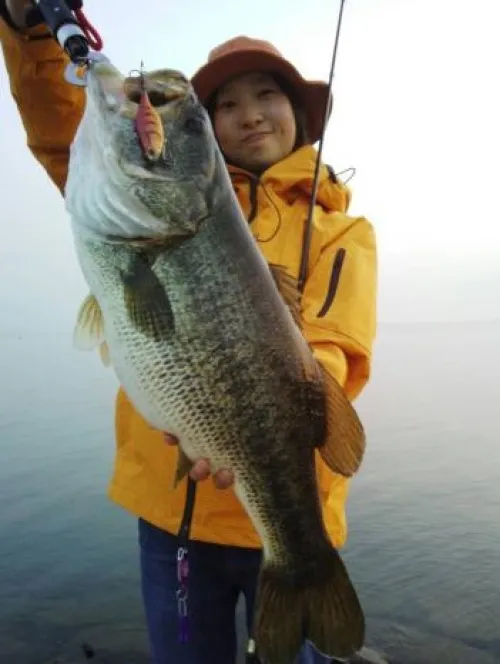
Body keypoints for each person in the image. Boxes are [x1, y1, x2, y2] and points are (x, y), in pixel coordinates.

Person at [0, 3, 378, 663]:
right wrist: (29, 28)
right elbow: (65, 130)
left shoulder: (343, 230)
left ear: (300, 116)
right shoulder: (128, 191)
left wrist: (255, 409)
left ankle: (301, 573)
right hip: (173, 512)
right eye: (225, 105)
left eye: (268, 95)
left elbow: (336, 348)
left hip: (290, 508)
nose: (251, 113)